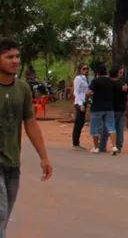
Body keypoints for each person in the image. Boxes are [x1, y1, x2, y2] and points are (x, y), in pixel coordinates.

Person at [0, 38, 53, 236]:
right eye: (9, 57)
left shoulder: (22, 89)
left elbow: (30, 122)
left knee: (5, 216)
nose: (15, 61)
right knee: (0, 212)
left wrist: (44, 157)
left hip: (12, 163)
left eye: (17, 57)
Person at [86, 64, 121, 154]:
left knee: (95, 128)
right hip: (109, 107)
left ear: (97, 73)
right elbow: (119, 88)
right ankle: (114, 146)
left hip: (97, 107)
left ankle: (96, 147)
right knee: (111, 127)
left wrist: (87, 99)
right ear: (106, 72)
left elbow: (88, 92)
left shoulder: (95, 81)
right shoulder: (111, 81)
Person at [99, 65, 128, 153]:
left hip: (112, 109)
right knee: (119, 128)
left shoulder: (109, 83)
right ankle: (119, 146)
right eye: (120, 72)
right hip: (121, 108)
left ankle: (102, 146)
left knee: (106, 128)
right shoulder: (122, 83)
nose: (121, 74)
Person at [72, 62, 89, 150]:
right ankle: (75, 143)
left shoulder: (85, 78)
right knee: (78, 122)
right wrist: (80, 103)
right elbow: (76, 92)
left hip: (84, 101)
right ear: (80, 70)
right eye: (84, 69)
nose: (86, 70)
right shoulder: (78, 78)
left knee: (81, 122)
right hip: (79, 102)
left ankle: (77, 142)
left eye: (86, 69)